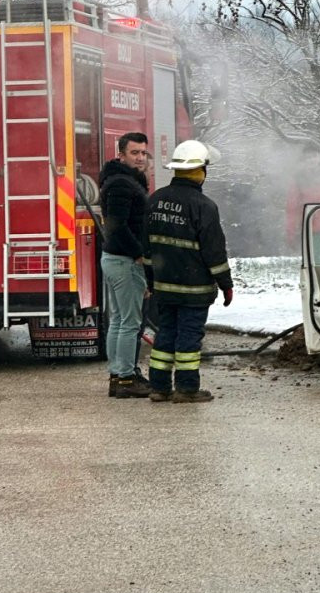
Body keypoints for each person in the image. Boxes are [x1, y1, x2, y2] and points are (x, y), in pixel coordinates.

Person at [144, 140, 233, 403]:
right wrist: (225, 283)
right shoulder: (204, 206)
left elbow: (147, 248)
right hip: (194, 289)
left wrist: (152, 281)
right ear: (200, 171)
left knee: (166, 333)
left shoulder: (156, 199)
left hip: (164, 286)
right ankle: (186, 388)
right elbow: (214, 252)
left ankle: (159, 388)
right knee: (189, 338)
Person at [99, 132, 152, 399]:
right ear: (121, 154)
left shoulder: (122, 180)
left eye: (144, 153)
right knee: (129, 323)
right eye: (135, 153)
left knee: (119, 321)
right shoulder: (121, 184)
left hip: (114, 259)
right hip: (124, 260)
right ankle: (125, 379)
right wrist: (139, 254)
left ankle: (119, 374)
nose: (140, 158)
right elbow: (117, 226)